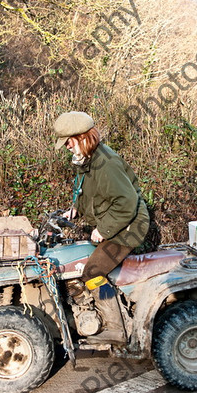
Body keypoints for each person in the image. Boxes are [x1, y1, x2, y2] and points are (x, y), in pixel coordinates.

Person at [54, 111, 150, 344]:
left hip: (129, 227)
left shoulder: (106, 164)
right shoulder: (88, 160)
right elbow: (87, 190)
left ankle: (116, 328)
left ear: (81, 137)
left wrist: (104, 230)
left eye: (67, 141)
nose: (66, 146)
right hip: (116, 223)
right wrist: (75, 209)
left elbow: (126, 203)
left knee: (92, 272)